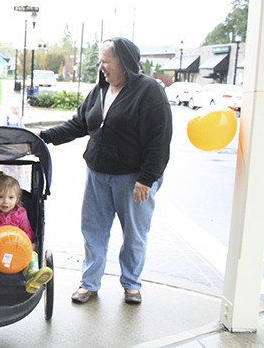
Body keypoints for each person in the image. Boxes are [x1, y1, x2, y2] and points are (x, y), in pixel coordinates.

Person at [38, 37, 172, 305]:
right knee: (93, 231)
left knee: (134, 234)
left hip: (133, 178)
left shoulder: (149, 91)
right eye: (100, 61)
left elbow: (160, 138)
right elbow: (79, 124)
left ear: (124, 62)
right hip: (97, 173)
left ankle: (132, 285)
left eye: (105, 61)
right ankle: (89, 284)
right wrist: (43, 136)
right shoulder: (100, 90)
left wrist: (147, 179)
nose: (101, 66)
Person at [0, 172, 53, 294]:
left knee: (31, 255)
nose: (5, 202)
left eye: (11, 198)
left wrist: (29, 244)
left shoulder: (21, 214)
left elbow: (27, 231)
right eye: (1, 197)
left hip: (17, 252)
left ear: (17, 199)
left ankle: (32, 277)